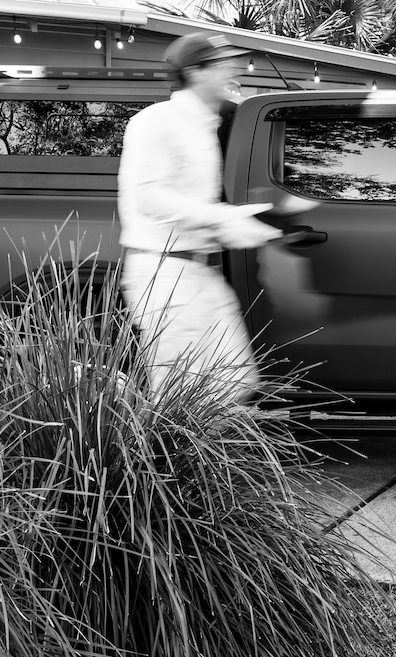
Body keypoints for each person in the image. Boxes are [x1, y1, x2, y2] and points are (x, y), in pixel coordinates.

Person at [117, 31, 280, 405]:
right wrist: (220, 218)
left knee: (236, 381)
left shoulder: (204, 125)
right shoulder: (157, 121)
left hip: (199, 273)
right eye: (220, 65)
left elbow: (189, 206)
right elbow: (147, 196)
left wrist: (235, 225)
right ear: (194, 72)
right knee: (180, 400)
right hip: (164, 275)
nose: (231, 71)